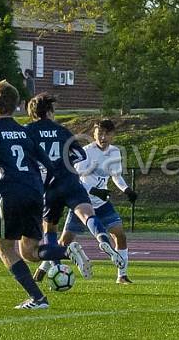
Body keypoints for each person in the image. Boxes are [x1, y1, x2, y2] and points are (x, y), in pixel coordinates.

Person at [0, 94, 126, 281]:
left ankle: (57, 267)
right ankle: (103, 241)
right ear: (49, 111)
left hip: (48, 187)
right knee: (88, 214)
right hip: (70, 181)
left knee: (50, 230)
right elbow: (81, 155)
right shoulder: (62, 130)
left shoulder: (27, 131)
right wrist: (66, 162)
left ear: (32, 113)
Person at [0, 80, 85, 310]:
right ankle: (65, 251)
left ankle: (38, 298)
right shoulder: (25, 133)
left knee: (3, 248)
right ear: (17, 106)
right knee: (29, 252)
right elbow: (50, 165)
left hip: (11, 193)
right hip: (35, 193)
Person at [56, 119, 139, 284]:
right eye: (99, 133)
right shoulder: (86, 151)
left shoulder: (115, 152)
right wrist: (95, 191)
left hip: (102, 204)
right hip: (83, 203)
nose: (103, 137)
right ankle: (46, 269)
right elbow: (77, 179)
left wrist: (127, 190)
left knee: (120, 236)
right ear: (93, 134)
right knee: (64, 242)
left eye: (107, 134)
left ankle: (122, 275)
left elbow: (116, 175)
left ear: (113, 135)